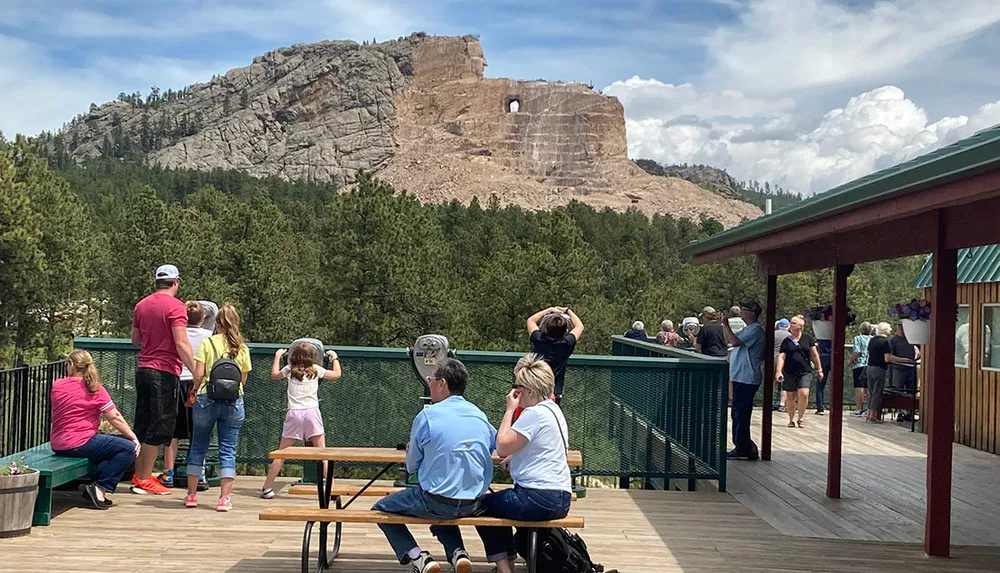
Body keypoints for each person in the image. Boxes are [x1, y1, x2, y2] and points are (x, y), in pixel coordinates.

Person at [372, 358, 496, 573]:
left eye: (431, 379)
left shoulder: (427, 416)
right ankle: (458, 552)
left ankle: (418, 557)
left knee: (380, 509)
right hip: (473, 502)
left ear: (442, 383)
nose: (429, 383)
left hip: (435, 501)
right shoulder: (480, 415)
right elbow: (494, 446)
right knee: (445, 506)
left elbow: (411, 466)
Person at [476, 355, 571, 573]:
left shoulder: (533, 413)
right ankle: (507, 562)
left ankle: (505, 568)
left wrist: (509, 409)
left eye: (516, 387)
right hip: (560, 497)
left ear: (528, 390)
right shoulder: (554, 411)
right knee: (499, 503)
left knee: (481, 506)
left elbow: (502, 446)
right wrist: (514, 460)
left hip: (536, 497)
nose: (514, 392)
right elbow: (539, 448)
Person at [130, 264, 196, 495]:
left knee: (143, 423)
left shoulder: (141, 305)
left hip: (143, 370)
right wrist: (196, 370)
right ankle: (144, 478)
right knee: (160, 425)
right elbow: (181, 343)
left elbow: (135, 339)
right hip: (164, 371)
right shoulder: (176, 307)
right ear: (176, 282)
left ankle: (139, 475)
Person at [50, 350, 142, 510]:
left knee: (112, 449)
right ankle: (100, 487)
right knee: (128, 448)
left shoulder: (57, 385)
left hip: (58, 443)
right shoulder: (95, 389)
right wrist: (133, 437)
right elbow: (115, 417)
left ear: (71, 365)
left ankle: (93, 487)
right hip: (80, 442)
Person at [184, 304, 251, 511]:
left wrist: (194, 391)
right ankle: (224, 499)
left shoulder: (208, 343)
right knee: (228, 450)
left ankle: (192, 495)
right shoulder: (242, 347)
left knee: (198, 446)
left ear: (218, 324)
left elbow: (198, 374)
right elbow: (243, 379)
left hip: (206, 399)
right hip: (233, 402)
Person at [260, 343, 342, 499]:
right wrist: (334, 357)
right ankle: (332, 490)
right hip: (312, 412)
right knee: (322, 453)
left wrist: (277, 356)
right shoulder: (316, 370)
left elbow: (274, 374)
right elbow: (336, 374)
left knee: (281, 454)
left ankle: (267, 487)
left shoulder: (289, 370)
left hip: (294, 413)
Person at [158, 301, 213, 490]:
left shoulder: (177, 334)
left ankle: (168, 474)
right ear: (204, 318)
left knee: (173, 433)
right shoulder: (209, 336)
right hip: (198, 384)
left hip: (177, 382)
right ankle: (199, 473)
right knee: (199, 431)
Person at [723, 300, 764, 460]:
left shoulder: (755, 330)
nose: (742, 312)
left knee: (741, 413)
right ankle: (743, 445)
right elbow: (729, 339)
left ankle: (743, 448)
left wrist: (726, 324)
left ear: (752, 313)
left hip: (747, 377)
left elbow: (735, 342)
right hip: (740, 376)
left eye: (745, 310)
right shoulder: (748, 329)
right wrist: (725, 326)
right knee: (737, 412)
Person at [527, 307, 584, 404]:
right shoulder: (566, 344)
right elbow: (579, 326)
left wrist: (549, 310)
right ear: (566, 330)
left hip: (535, 389)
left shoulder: (539, 339)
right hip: (554, 392)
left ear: (546, 328)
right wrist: (568, 310)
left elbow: (531, 320)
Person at [776, 316, 823, 428]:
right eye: (790, 323)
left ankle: (800, 418)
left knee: (804, 393)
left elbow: (814, 355)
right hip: (789, 371)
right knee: (790, 396)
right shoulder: (786, 341)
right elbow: (781, 356)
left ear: (800, 326)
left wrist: (819, 369)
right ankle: (791, 419)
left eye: (793, 323)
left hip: (805, 371)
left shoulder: (807, 338)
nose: (791, 325)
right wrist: (778, 371)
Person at [865, 322, 893, 423]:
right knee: (877, 392)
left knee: (871, 392)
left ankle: (869, 414)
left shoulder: (872, 340)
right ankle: (873, 415)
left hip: (869, 367)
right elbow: (887, 358)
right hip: (879, 368)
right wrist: (904, 359)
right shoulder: (885, 342)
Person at [849, 322, 872, 417]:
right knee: (868, 387)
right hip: (869, 364)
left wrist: (850, 361)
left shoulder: (858, 338)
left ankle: (859, 408)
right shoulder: (872, 339)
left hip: (859, 364)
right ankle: (869, 409)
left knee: (859, 387)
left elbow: (857, 351)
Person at [888, 323, 918, 392]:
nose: (901, 329)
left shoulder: (911, 339)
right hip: (899, 370)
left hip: (911, 369)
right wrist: (904, 360)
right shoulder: (893, 340)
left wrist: (916, 357)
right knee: (897, 391)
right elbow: (889, 357)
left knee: (911, 391)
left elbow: (922, 348)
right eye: (899, 327)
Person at [773, 319, 791, 412]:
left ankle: (770, 402)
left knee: (771, 382)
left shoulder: (773, 334)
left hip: (772, 359)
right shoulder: (790, 336)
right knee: (784, 383)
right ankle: (782, 404)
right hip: (784, 360)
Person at [815, 339, 832, 415]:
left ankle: (820, 407)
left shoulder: (820, 338)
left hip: (822, 357)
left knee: (820, 384)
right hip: (833, 356)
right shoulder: (833, 338)